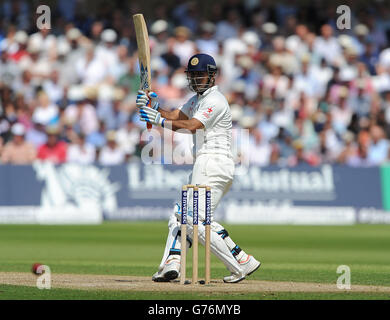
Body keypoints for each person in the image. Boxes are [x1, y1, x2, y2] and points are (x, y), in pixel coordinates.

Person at [136, 53, 261, 283]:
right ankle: (172, 264)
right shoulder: (197, 100)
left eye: (200, 75)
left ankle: (238, 266)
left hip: (213, 162)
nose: (195, 79)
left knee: (195, 219)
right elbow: (177, 115)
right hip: (205, 163)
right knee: (181, 215)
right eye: (192, 75)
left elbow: (192, 126)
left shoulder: (216, 100)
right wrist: (154, 108)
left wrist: (158, 120)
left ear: (212, 76)